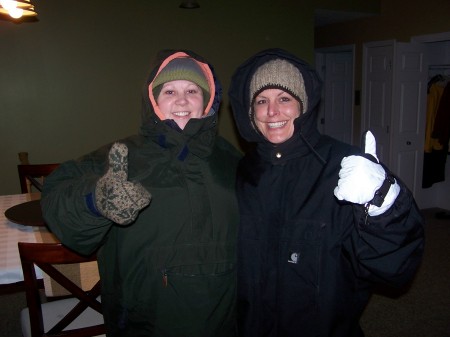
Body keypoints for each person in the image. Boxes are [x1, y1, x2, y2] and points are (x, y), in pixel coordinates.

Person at [41, 49, 241, 337]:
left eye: (192, 90)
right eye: (169, 90)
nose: (182, 100)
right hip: (145, 320)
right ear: (153, 100)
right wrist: (95, 200)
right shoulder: (121, 156)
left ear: (209, 100)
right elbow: (56, 196)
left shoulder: (233, 160)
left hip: (225, 320)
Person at [228, 48, 425, 337]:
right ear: (250, 111)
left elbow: (396, 268)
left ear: (304, 105)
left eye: (284, 98)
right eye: (261, 101)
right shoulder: (244, 171)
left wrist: (383, 203)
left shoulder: (344, 168)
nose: (272, 112)